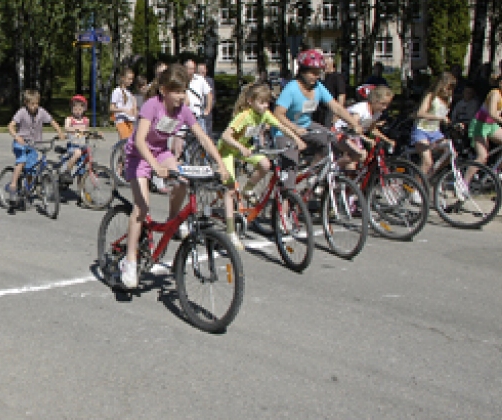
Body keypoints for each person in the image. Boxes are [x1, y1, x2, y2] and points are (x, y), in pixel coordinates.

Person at [119, 64, 228, 289]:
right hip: (138, 156)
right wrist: (155, 168)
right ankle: (129, 261)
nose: (181, 96)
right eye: (176, 91)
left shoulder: (184, 111)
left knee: (184, 182)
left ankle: (172, 222)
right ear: (163, 90)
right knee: (142, 208)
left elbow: (204, 138)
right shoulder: (152, 106)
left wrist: (220, 164)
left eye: (184, 90)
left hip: (161, 152)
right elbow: (139, 140)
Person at [218, 83, 306, 252]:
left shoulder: (264, 114)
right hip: (227, 150)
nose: (266, 106)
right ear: (251, 101)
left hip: (244, 149)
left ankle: (247, 190)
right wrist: (240, 147)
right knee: (229, 190)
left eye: (267, 102)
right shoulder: (244, 116)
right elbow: (225, 136)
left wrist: (297, 139)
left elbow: (281, 127)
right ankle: (230, 232)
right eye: (262, 102)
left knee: (265, 164)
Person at [273, 50, 361, 157]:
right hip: (284, 130)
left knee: (330, 141)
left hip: (306, 125)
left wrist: (354, 124)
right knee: (290, 164)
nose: (317, 76)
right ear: (302, 72)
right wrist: (295, 128)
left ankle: (316, 172)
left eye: (318, 73)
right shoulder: (291, 88)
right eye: (313, 73)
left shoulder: (318, 87)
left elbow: (336, 107)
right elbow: (278, 114)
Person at [5, 90, 65, 203]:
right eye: (32, 104)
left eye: (36, 103)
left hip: (34, 144)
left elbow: (52, 121)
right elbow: (10, 126)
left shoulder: (41, 112)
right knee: (22, 161)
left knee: (31, 169)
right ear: (26, 103)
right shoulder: (21, 112)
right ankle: (13, 186)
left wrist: (59, 132)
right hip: (21, 143)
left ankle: (27, 190)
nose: (34, 106)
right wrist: (16, 136)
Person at [335, 85, 395, 166]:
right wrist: (367, 139)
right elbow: (352, 127)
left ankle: (346, 175)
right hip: (339, 133)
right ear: (374, 100)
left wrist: (388, 140)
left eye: (387, 105)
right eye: (382, 104)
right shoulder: (361, 109)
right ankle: (334, 167)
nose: (385, 107)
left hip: (352, 136)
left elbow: (372, 129)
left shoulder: (377, 113)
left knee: (359, 160)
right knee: (360, 154)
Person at [412, 73, 457, 177]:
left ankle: (429, 176)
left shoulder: (448, 100)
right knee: (427, 161)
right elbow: (420, 113)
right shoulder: (431, 96)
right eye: (448, 86)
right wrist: (439, 118)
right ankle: (415, 188)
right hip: (421, 130)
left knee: (451, 153)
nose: (449, 90)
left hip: (435, 131)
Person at [61, 94, 90, 178]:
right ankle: (67, 172)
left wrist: (93, 134)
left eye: (80, 109)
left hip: (82, 145)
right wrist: (75, 128)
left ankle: (81, 188)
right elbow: (66, 128)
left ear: (84, 109)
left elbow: (86, 132)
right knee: (77, 153)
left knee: (83, 166)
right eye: (75, 109)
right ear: (72, 109)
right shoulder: (69, 119)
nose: (77, 111)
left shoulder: (86, 120)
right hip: (73, 145)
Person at [183, 59, 212, 134]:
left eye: (192, 69)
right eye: (189, 69)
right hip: (184, 114)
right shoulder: (180, 80)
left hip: (198, 114)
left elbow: (209, 93)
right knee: (182, 140)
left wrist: (208, 109)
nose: (191, 71)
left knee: (202, 138)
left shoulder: (200, 79)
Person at [318, 56, 348, 127]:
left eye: (326, 65)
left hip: (331, 109)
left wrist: (338, 114)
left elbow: (341, 95)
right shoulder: (324, 78)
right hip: (322, 110)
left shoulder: (337, 77)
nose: (323, 67)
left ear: (331, 64)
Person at [109, 68, 137, 140]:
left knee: (131, 144)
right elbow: (111, 108)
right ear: (122, 78)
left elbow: (133, 109)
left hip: (130, 120)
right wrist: (123, 110)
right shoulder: (117, 91)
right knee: (125, 142)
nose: (131, 81)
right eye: (129, 79)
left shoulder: (128, 93)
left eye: (132, 79)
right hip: (121, 121)